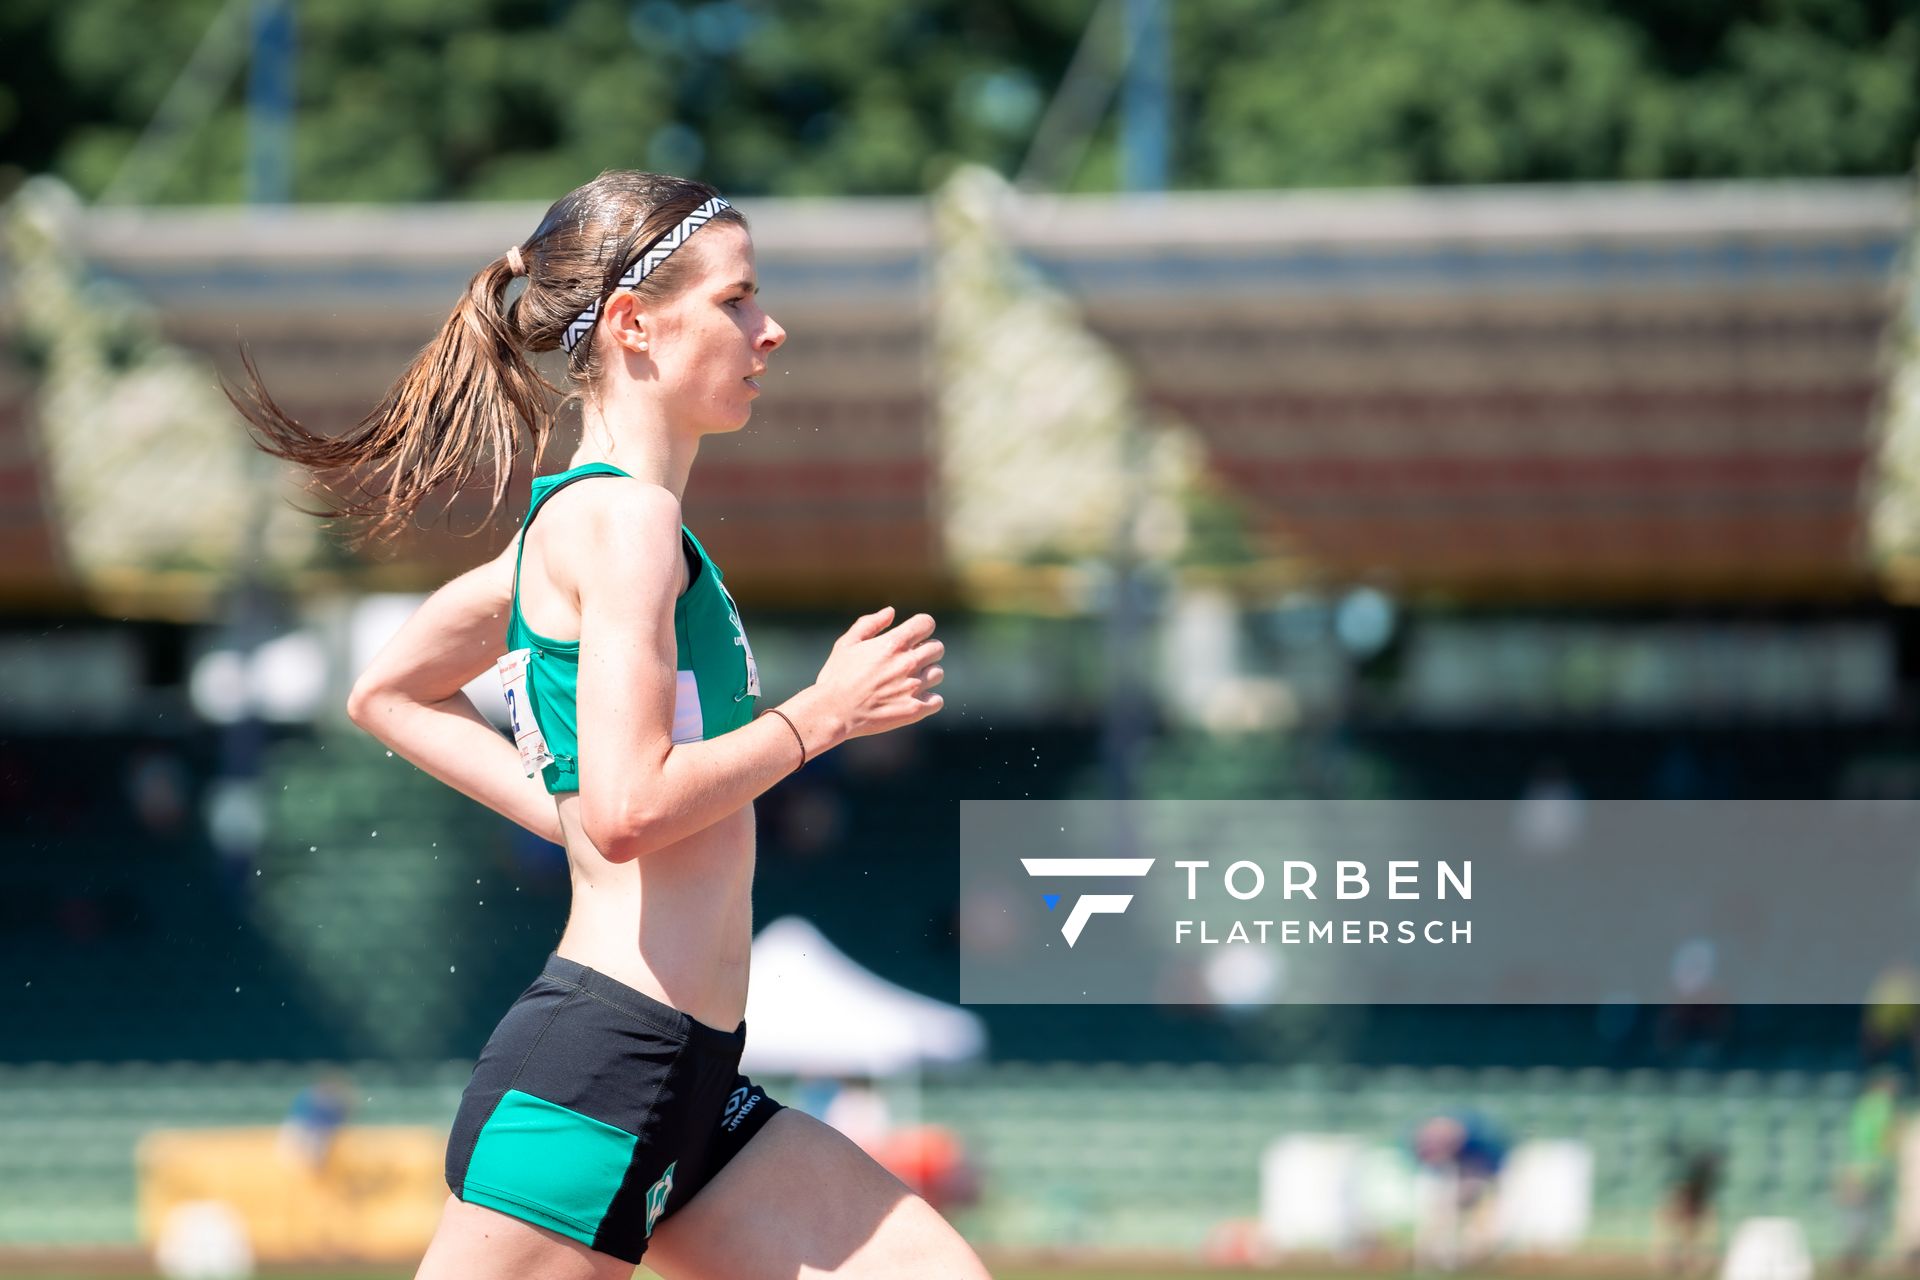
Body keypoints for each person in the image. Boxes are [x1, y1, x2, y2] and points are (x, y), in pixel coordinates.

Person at [233, 171, 988, 1279]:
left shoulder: (583, 520)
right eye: (736, 300)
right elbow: (628, 810)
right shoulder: (624, 521)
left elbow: (387, 690)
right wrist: (819, 715)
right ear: (635, 323)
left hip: (694, 1083)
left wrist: (571, 806)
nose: (768, 330)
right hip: (603, 1070)